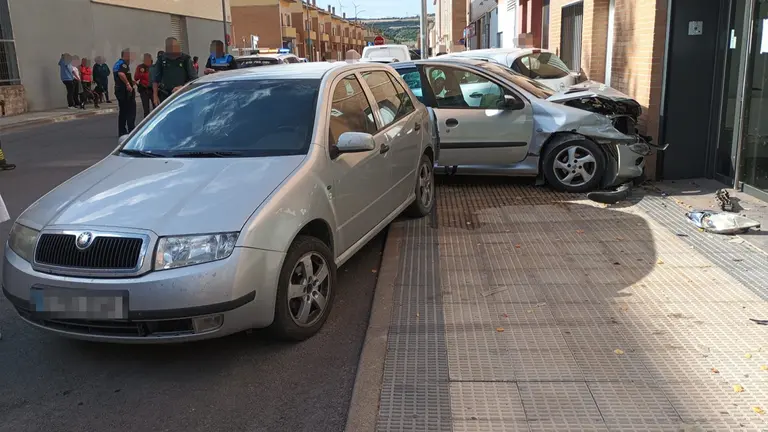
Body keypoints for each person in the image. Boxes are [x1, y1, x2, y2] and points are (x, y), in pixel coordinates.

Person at [153, 37, 195, 106]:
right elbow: (156, 79)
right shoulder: (161, 59)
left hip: (182, 95)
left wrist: (182, 87)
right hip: (166, 96)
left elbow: (194, 79)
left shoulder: (185, 59)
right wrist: (155, 96)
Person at [113, 48, 136, 136]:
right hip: (125, 91)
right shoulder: (123, 64)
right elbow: (121, 74)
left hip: (119, 90)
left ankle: (122, 130)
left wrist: (131, 81)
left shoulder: (117, 64)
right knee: (130, 110)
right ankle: (131, 129)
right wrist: (128, 84)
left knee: (123, 111)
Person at [135, 53, 154, 118]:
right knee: (146, 109)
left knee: (156, 107)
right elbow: (136, 77)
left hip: (153, 89)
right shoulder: (140, 67)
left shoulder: (153, 67)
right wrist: (141, 73)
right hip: (144, 90)